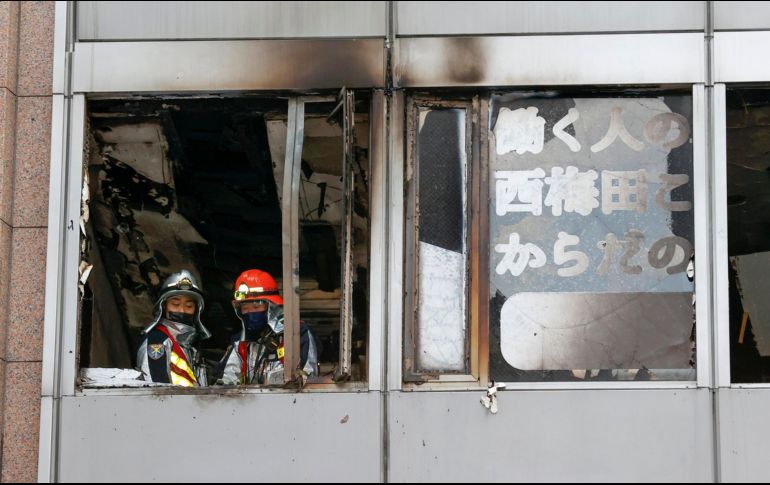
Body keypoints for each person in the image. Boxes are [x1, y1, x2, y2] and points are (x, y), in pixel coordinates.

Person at [218, 269, 318, 386]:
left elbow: (309, 379)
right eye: (245, 309)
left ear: (272, 307)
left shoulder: (297, 334)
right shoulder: (240, 342)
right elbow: (225, 383)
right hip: (249, 403)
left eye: (256, 307)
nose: (250, 313)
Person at [137, 270, 211, 387]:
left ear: (196, 310)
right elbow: (157, 393)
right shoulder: (157, 341)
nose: (182, 310)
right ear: (164, 307)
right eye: (175, 304)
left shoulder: (191, 345)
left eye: (189, 306)